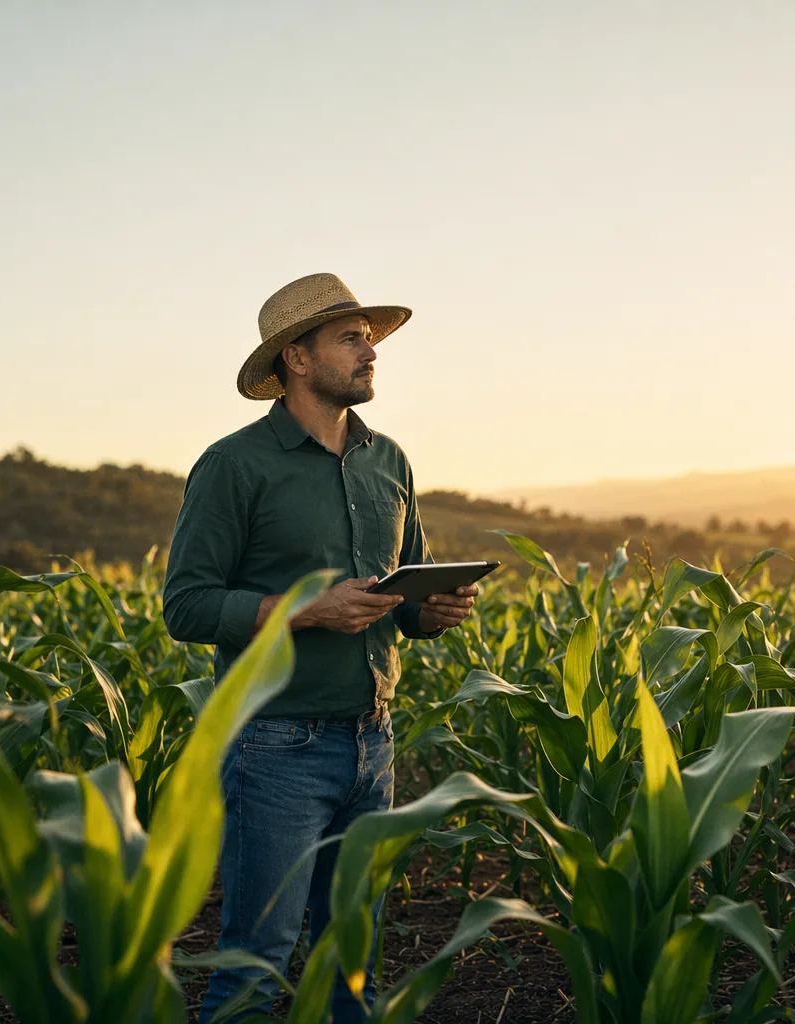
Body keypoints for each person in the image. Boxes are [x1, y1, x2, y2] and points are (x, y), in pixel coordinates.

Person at [162, 273, 479, 1023]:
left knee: (353, 967)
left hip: (374, 743)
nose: (371, 351)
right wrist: (306, 609)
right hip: (276, 748)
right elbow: (186, 605)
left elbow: (403, 606)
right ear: (296, 360)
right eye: (351, 337)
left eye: (369, 337)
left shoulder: (389, 460)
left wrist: (435, 609)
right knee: (252, 970)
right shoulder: (234, 465)